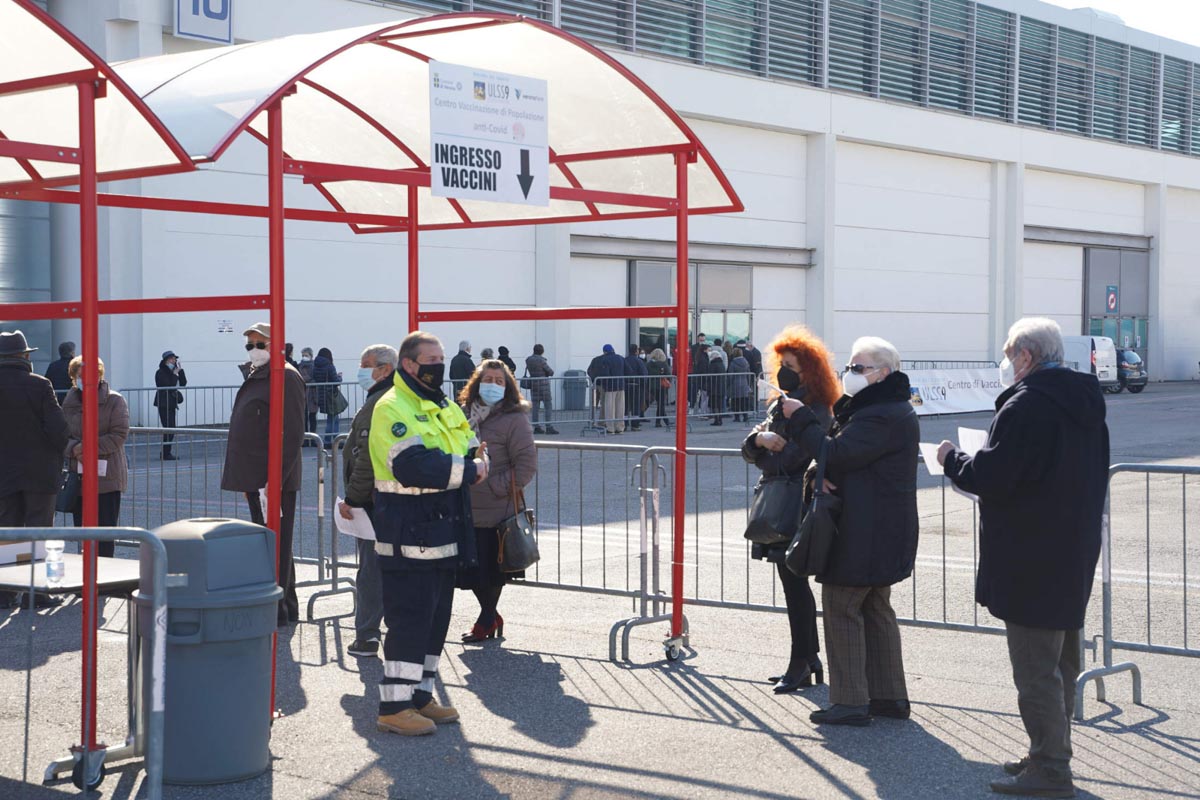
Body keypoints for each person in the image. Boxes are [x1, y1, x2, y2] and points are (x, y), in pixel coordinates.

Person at [937, 318, 1107, 799]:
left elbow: (994, 475)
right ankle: (1049, 750)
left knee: (1036, 669)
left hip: (1032, 554)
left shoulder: (1028, 405)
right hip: (1071, 547)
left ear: (1026, 357)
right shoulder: (1083, 401)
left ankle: (1051, 769)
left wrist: (952, 459)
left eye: (1010, 357)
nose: (1007, 365)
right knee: (1061, 662)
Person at [787, 336, 919, 727]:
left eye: (859, 368)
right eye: (849, 367)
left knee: (842, 607)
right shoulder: (883, 408)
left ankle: (849, 701)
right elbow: (846, 459)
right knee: (875, 609)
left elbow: (838, 453)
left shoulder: (882, 413)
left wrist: (800, 419)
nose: (850, 374)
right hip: (877, 526)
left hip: (866, 529)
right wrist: (823, 474)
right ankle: (888, 696)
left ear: (884, 373)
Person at [368, 331, 488, 736]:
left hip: (444, 529)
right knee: (409, 619)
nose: (438, 365)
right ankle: (393, 705)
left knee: (436, 620)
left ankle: (419, 695)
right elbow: (416, 466)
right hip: (409, 531)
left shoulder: (443, 404)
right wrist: (469, 471)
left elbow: (470, 445)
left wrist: (470, 463)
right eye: (430, 359)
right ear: (409, 364)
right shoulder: (391, 407)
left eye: (440, 358)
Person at [742, 325, 839, 693]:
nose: (783, 371)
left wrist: (768, 451)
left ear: (808, 369)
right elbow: (752, 452)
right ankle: (807, 658)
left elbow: (798, 456)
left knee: (796, 585)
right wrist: (761, 439)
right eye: (780, 364)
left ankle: (802, 661)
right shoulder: (778, 405)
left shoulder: (816, 407)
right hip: (779, 503)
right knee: (791, 585)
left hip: (799, 506)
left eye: (791, 365)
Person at [221, 323, 307, 626]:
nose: (254, 350)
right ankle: (286, 605)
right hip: (257, 476)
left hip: (273, 479)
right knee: (272, 542)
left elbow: (292, 433)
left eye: (260, 344)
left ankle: (278, 609)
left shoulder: (286, 377)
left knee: (276, 544)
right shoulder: (261, 374)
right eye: (250, 345)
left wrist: (275, 479)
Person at [456, 359, 536, 643]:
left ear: (508, 387)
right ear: (477, 382)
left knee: (490, 570)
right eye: (487, 379)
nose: (492, 385)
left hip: (496, 507)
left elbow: (526, 465)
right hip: (464, 503)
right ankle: (490, 614)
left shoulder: (515, 418)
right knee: (469, 569)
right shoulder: (464, 414)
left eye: (499, 381)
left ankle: (487, 618)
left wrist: (494, 486)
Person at [338, 344, 399, 658]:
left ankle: (367, 636)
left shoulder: (379, 404)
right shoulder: (397, 399)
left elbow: (365, 460)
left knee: (372, 570)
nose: (360, 371)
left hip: (375, 501)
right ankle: (399, 633)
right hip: (395, 500)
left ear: (384, 369)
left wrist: (353, 498)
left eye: (366, 365)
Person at [0, 331, 69, 607]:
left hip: (3, 473)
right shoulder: (40, 385)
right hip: (40, 473)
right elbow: (59, 430)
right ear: (24, 356)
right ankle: (38, 592)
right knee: (41, 530)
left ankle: (6, 591)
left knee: (8, 532)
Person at [63, 357, 129, 556]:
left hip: (107, 479)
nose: (83, 380)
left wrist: (87, 448)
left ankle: (105, 583)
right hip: (79, 477)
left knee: (104, 535)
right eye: (79, 376)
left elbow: (119, 434)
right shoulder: (69, 401)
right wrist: (75, 448)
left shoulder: (114, 400)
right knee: (83, 534)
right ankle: (84, 580)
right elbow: (61, 435)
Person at [154, 350, 186, 460]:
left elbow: (183, 383)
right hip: (163, 403)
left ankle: (166, 452)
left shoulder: (174, 371)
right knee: (169, 428)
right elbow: (168, 384)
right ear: (166, 360)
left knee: (172, 429)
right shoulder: (161, 372)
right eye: (172, 359)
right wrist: (174, 374)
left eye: (175, 359)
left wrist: (180, 372)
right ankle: (165, 453)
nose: (174, 361)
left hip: (171, 403)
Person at [587, 344, 626, 434]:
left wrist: (602, 384)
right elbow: (628, 370)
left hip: (610, 387)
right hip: (621, 386)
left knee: (609, 408)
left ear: (604, 351)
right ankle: (620, 427)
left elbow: (605, 374)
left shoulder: (604, 359)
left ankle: (610, 428)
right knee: (620, 407)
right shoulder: (620, 358)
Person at [525, 344, 559, 435]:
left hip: (534, 385)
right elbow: (550, 372)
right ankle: (549, 426)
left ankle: (536, 427)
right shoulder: (541, 360)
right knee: (548, 405)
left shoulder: (528, 360)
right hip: (544, 386)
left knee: (535, 407)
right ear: (542, 351)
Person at [313, 347, 343, 446]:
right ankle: (329, 440)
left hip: (321, 394)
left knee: (333, 418)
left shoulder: (315, 365)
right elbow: (335, 381)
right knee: (332, 418)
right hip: (330, 395)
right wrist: (340, 377)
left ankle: (334, 439)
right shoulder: (330, 366)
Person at [646, 348, 672, 428]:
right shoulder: (663, 364)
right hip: (661, 386)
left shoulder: (648, 364)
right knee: (661, 404)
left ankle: (664, 421)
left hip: (651, 386)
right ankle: (661, 421)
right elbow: (668, 374)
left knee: (655, 403)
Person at [625, 344, 648, 431]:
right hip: (636, 386)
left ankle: (625, 424)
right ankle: (635, 425)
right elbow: (644, 373)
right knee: (636, 406)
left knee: (626, 406)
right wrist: (643, 385)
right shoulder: (639, 361)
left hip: (626, 386)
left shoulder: (625, 360)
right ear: (636, 351)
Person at [298, 347, 318, 439]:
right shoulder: (299, 366)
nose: (304, 357)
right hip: (302, 394)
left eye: (306, 355)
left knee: (312, 416)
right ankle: (305, 437)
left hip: (312, 394)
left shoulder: (314, 366)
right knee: (303, 417)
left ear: (310, 356)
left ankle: (313, 437)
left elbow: (315, 378)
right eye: (303, 355)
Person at [729, 347, 753, 423]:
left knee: (735, 401)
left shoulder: (733, 363)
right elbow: (749, 374)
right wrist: (749, 384)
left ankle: (737, 417)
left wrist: (729, 384)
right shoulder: (746, 362)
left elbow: (730, 375)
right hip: (744, 383)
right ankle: (745, 417)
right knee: (744, 401)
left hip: (735, 384)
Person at [706, 348, 727, 426]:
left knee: (714, 405)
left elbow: (710, 376)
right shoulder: (721, 364)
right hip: (721, 387)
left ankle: (716, 420)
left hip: (714, 388)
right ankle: (720, 419)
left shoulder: (713, 364)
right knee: (720, 405)